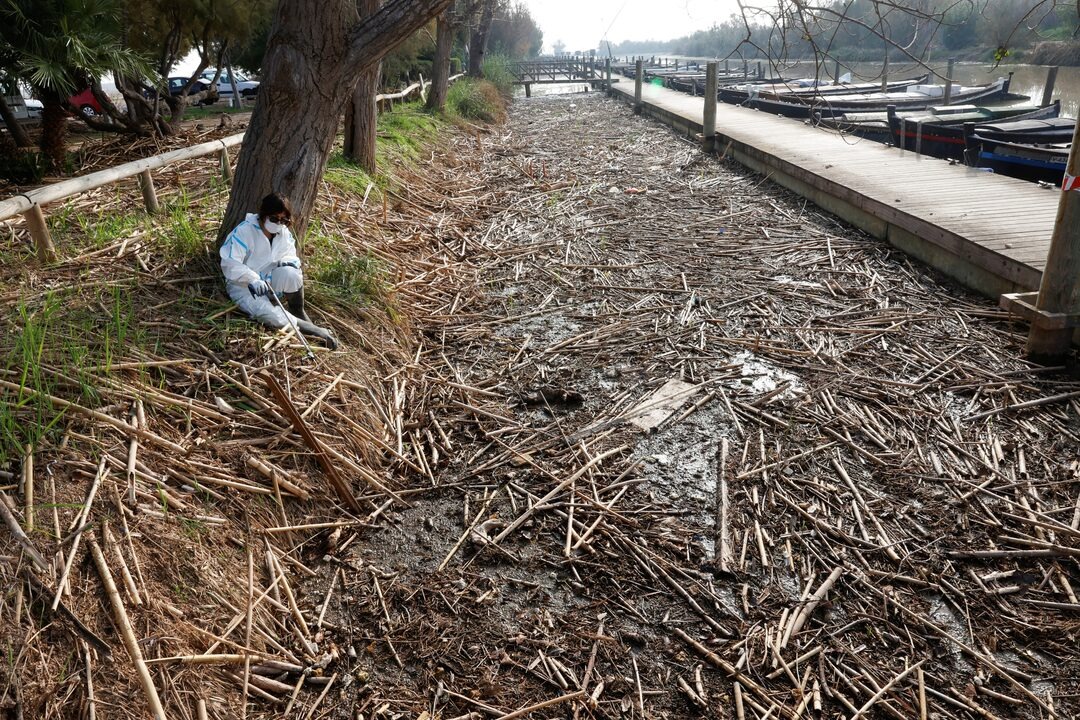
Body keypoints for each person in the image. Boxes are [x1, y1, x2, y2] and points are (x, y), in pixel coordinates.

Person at [219, 192, 338, 349]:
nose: (278, 223)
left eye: (284, 220)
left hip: (269, 281)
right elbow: (230, 263)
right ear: (263, 215)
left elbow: (291, 256)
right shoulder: (245, 231)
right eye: (274, 219)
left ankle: (297, 309)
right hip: (245, 286)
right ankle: (312, 330)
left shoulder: (282, 232)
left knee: (292, 274)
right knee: (268, 314)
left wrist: (286, 263)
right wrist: (252, 278)